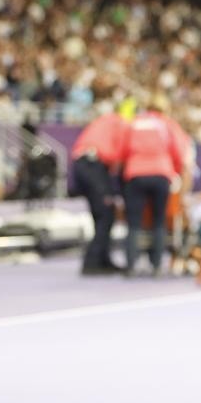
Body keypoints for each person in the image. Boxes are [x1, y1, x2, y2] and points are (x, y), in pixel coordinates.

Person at [121, 95, 189, 278]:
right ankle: (157, 267)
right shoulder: (166, 124)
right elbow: (179, 150)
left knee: (134, 222)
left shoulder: (134, 123)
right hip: (161, 174)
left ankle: (131, 267)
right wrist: (174, 171)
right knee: (159, 221)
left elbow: (124, 149)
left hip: (136, 174)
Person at [70, 102, 130, 275]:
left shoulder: (104, 120)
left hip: (82, 164)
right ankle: (92, 262)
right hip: (93, 165)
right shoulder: (121, 124)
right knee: (106, 213)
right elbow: (119, 156)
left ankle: (103, 259)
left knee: (100, 214)